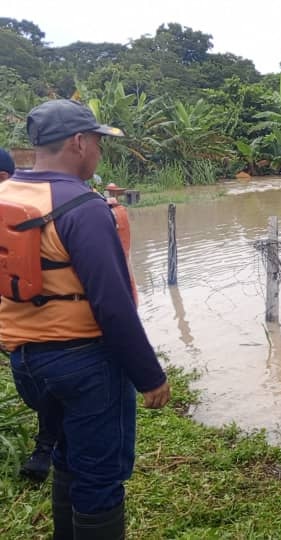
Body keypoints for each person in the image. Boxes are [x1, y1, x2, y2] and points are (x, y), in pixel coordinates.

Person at [1, 99, 170, 539]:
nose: (98, 152)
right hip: (85, 365)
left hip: (26, 363)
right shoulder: (83, 207)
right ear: (79, 142)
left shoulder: (6, 195)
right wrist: (149, 376)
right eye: (96, 142)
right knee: (99, 479)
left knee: (66, 456)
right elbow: (113, 306)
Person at [0, 148, 59, 483]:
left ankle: (46, 446)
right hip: (17, 327)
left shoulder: (32, 216)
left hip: (40, 326)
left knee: (51, 386)